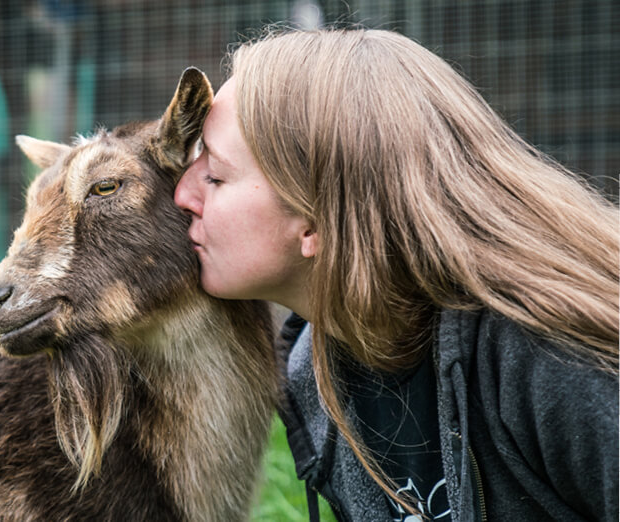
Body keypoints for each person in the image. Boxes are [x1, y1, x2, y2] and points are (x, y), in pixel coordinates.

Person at [174, 28, 618, 522]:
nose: (182, 195)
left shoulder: (550, 355)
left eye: (215, 175)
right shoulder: (317, 373)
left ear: (316, 220)